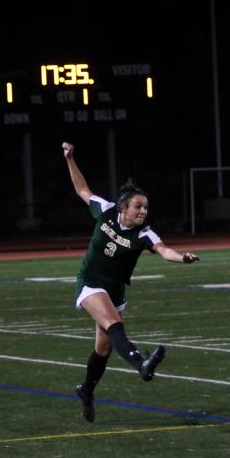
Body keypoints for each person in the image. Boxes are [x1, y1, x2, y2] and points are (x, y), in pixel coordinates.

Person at [63, 141, 197, 423]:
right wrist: (71, 159)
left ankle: (86, 390)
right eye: (139, 206)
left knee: (104, 348)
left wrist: (182, 258)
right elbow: (82, 190)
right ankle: (141, 363)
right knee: (115, 326)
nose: (143, 211)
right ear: (124, 206)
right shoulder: (107, 210)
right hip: (90, 283)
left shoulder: (144, 233)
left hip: (114, 291)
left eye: (146, 208)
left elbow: (163, 250)